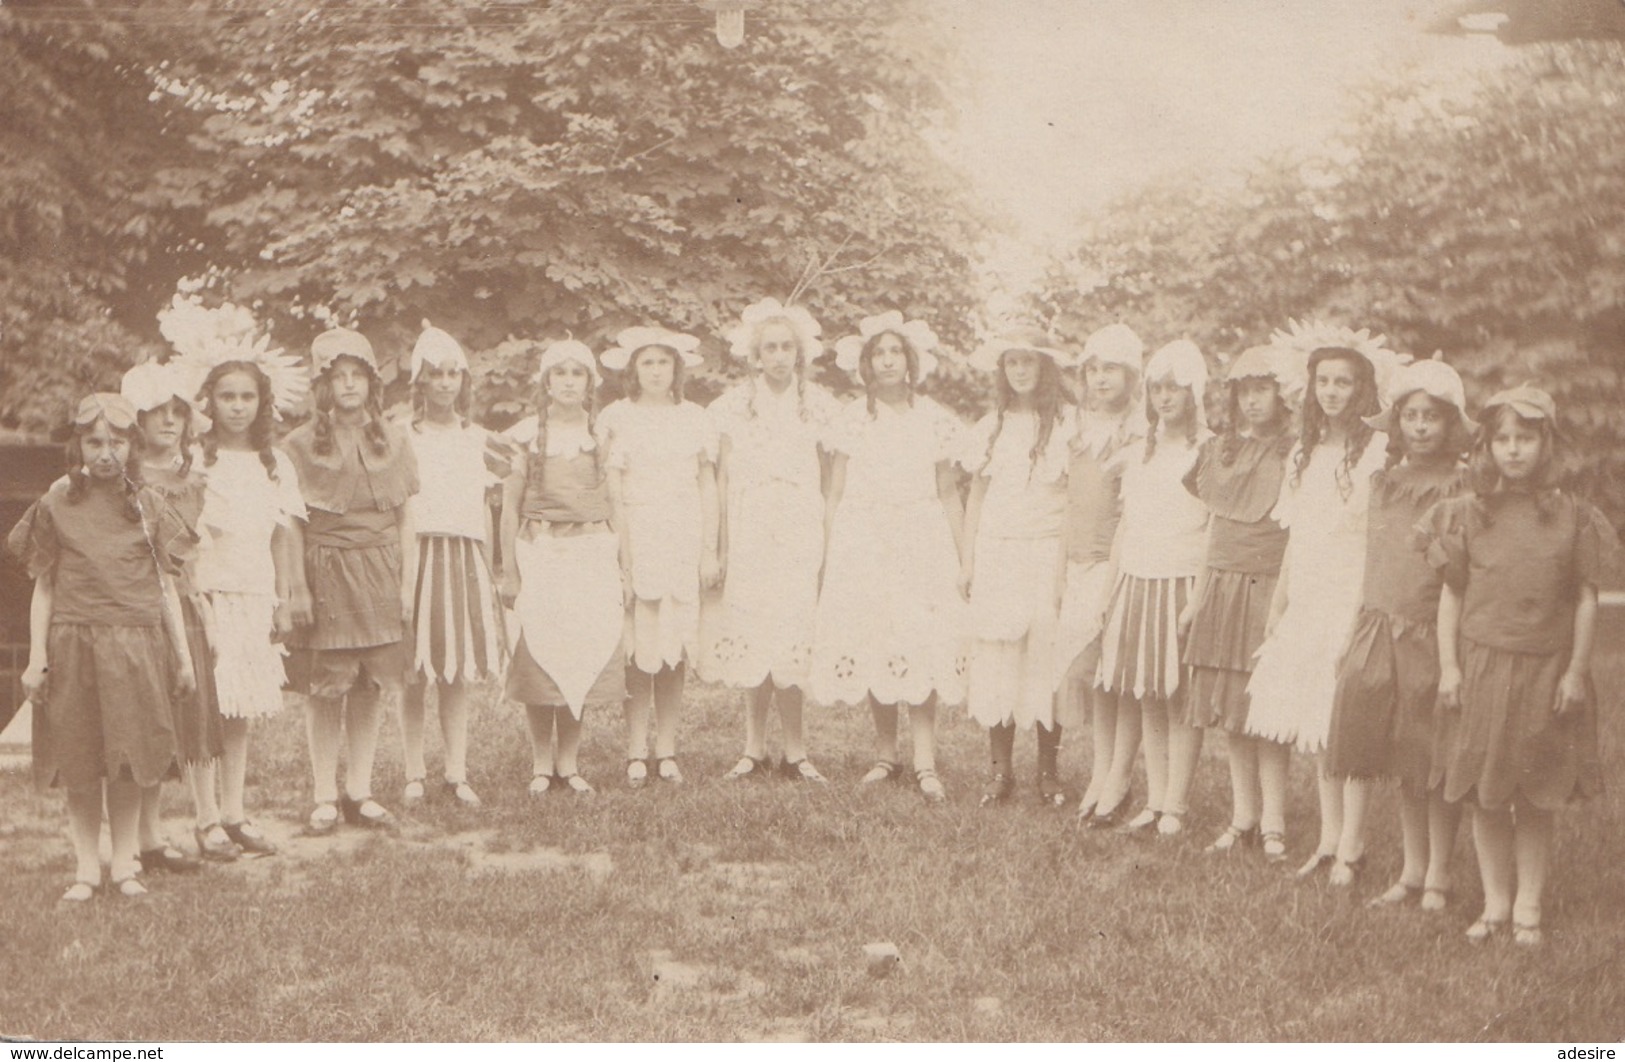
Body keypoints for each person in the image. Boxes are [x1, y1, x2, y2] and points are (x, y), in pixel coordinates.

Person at [1422, 385, 1617, 946]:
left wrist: (1577, 671)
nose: (1513, 450)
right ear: (1486, 447)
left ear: (1545, 444)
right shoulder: (1468, 513)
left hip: (1544, 668)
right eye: (1502, 439)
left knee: (1535, 793)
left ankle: (1529, 905)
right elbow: (1451, 596)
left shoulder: (1571, 516)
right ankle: (1495, 905)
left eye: (1525, 438)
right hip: (1482, 666)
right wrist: (1450, 666)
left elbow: (1585, 597)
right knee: (1486, 792)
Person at [11, 394, 195, 900]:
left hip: (136, 647)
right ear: (79, 447)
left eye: (116, 442)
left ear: (132, 445)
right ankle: (86, 867)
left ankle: (125, 863)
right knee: (80, 757)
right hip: (74, 646)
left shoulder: (149, 504)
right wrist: (36, 659)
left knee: (129, 757)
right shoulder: (56, 503)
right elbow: (43, 587)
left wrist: (181, 657)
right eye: (94, 442)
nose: (106, 452)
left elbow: (165, 588)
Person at [1244, 323, 1399, 877]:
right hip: (1308, 592)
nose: (1333, 392)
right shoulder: (1303, 453)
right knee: (1312, 718)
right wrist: (1280, 604)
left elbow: (1383, 540)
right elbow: (1296, 537)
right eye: (1324, 382)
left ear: (1363, 390)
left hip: (1354, 594)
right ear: (1311, 389)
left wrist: (1366, 609)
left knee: (1345, 719)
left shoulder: (1380, 451)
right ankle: (1329, 841)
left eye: (1345, 383)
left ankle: (1353, 843)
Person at [164, 298, 314, 861]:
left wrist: (285, 597)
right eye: (226, 396)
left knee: (241, 706)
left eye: (247, 396)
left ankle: (234, 812)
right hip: (206, 596)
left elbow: (283, 533)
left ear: (263, 402)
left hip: (253, 593)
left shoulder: (274, 462)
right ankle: (204, 818)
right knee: (206, 705)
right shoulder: (195, 462)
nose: (237, 406)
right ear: (209, 401)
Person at [1326, 358, 1473, 908]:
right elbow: (1375, 560)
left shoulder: (1461, 486)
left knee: (1433, 753)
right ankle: (1411, 870)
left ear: (1450, 423)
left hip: (1433, 630)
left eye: (1431, 417)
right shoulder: (1385, 483)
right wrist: (1356, 624)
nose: (1419, 426)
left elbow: (1461, 569)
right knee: (1402, 754)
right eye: (1410, 415)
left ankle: (1439, 873)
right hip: (1382, 623)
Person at [810, 311, 968, 802]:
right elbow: (834, 492)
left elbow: (948, 493)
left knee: (920, 639)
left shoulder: (936, 419)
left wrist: (964, 560)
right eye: (878, 353)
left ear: (910, 360)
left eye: (895, 352)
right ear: (866, 364)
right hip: (864, 538)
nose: (887, 361)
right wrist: (831, 551)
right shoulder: (850, 419)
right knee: (875, 635)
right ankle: (885, 754)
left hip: (921, 538)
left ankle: (925, 760)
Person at [283, 328, 418, 833]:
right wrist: (297, 586)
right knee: (327, 685)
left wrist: (407, 585)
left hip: (380, 569)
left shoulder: (394, 440)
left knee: (370, 684)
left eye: (357, 376)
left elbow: (406, 520)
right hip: (327, 570)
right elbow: (292, 523)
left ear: (371, 383)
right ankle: (324, 794)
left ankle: (359, 790)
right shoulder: (297, 446)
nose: (348, 386)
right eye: (337, 377)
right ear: (323, 386)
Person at [702, 298, 842, 782]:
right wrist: (717, 546)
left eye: (787, 347)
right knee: (752, 630)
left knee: (792, 630)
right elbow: (718, 479)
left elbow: (830, 480)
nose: (779, 356)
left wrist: (828, 540)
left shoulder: (820, 406)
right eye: (770, 348)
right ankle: (753, 747)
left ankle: (797, 751)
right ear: (755, 355)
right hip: (750, 525)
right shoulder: (731, 406)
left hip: (800, 524)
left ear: (799, 353)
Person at [1177, 345, 1298, 854]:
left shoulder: (1295, 451)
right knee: (1231, 710)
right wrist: (1197, 596)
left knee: (1264, 709)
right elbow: (1213, 529)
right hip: (1222, 584)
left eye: (1263, 390)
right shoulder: (1219, 451)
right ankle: (1243, 814)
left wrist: (1288, 600)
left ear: (1283, 395)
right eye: (1244, 391)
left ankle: (1274, 820)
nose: (1252, 402)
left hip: (1267, 586)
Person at [1091, 340, 1211, 837]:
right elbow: (1126, 526)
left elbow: (1212, 531)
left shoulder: (1207, 450)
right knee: (1146, 693)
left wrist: (1198, 597)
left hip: (1182, 580)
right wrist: (1108, 592)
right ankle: (1155, 798)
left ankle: (1176, 805)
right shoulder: (1141, 451)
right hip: (1137, 579)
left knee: (1177, 695)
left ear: (1194, 392)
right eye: (1158, 389)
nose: (1165, 398)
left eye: (1176, 389)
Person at [499, 339, 625, 796]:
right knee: (540, 649)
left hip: (591, 551)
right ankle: (540, 761)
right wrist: (510, 570)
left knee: (580, 650)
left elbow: (615, 504)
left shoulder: (603, 438)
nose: (569, 381)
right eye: (560, 373)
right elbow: (509, 508)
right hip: (542, 550)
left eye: (578, 374)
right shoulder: (527, 435)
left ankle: (568, 761)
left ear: (590, 383)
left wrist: (622, 564)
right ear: (547, 382)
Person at [597, 326, 719, 787]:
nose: (654, 370)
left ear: (676, 369)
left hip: (682, 536)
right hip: (637, 533)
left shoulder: (694, 417)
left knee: (673, 647)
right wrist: (618, 552)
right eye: (646, 362)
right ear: (633, 370)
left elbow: (706, 483)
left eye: (663, 362)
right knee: (638, 645)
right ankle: (634, 750)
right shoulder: (616, 416)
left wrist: (709, 549)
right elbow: (610, 487)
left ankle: (666, 749)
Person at [958, 329, 1075, 806]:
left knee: (1045, 654)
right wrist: (968, 561)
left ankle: (1049, 770)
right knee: (999, 653)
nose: (1021, 371)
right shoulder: (991, 427)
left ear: (1044, 368)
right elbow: (977, 498)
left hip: (1046, 550)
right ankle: (999, 771)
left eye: (1029, 361)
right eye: (1012, 363)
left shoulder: (1068, 426)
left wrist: (1066, 567)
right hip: (998, 551)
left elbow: (1072, 500)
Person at [118, 360, 219, 871]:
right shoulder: (126, 480)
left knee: (177, 716)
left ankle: (154, 834)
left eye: (176, 412)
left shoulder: (195, 478)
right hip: (140, 606)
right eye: (156, 412)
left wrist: (203, 596)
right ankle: (138, 835)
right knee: (147, 715)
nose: (168, 421)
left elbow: (198, 548)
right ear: (136, 422)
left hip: (184, 602)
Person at [402, 323, 503, 807]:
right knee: (414, 668)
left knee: (455, 668)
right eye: (434, 375)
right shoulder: (403, 435)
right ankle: (413, 770)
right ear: (419, 381)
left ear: (463, 381)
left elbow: (486, 501)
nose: (444, 383)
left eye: (452, 375)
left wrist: (487, 561)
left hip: (462, 556)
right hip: (417, 555)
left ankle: (457, 771)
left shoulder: (476, 437)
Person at [1053, 323, 1146, 821]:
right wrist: (1061, 569)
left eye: (1111, 368)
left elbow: (1133, 513)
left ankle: (1120, 774)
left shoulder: (1140, 432)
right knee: (1093, 675)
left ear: (1132, 376)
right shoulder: (1078, 428)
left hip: (1123, 563)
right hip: (1081, 561)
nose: (1101, 378)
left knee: (1119, 672)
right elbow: (1071, 502)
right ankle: (1100, 768)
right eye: (1093, 369)